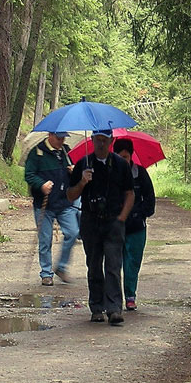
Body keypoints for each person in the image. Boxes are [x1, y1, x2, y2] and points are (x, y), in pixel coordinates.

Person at [67, 128, 134, 325]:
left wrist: (122, 218)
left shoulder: (121, 165)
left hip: (114, 221)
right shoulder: (83, 164)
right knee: (94, 265)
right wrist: (82, 181)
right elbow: (70, 195)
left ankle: (114, 309)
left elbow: (129, 193)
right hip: (90, 220)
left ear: (111, 141)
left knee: (113, 265)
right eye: (97, 140)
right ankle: (97, 307)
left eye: (104, 140)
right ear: (93, 140)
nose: (101, 144)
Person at [24, 131, 79, 286]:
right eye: (59, 138)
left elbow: (76, 174)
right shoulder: (37, 153)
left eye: (63, 138)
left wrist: (74, 171)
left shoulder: (67, 151)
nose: (62, 141)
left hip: (64, 202)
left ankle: (61, 267)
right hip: (44, 205)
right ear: (50, 135)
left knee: (73, 232)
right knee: (45, 240)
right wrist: (41, 184)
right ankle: (46, 273)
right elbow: (29, 175)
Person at [112, 137, 155, 311]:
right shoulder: (109, 174)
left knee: (133, 263)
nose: (123, 161)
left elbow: (150, 200)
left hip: (137, 228)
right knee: (114, 263)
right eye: (119, 157)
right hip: (115, 226)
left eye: (126, 157)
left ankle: (130, 296)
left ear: (131, 156)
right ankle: (114, 299)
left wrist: (140, 214)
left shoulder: (141, 174)